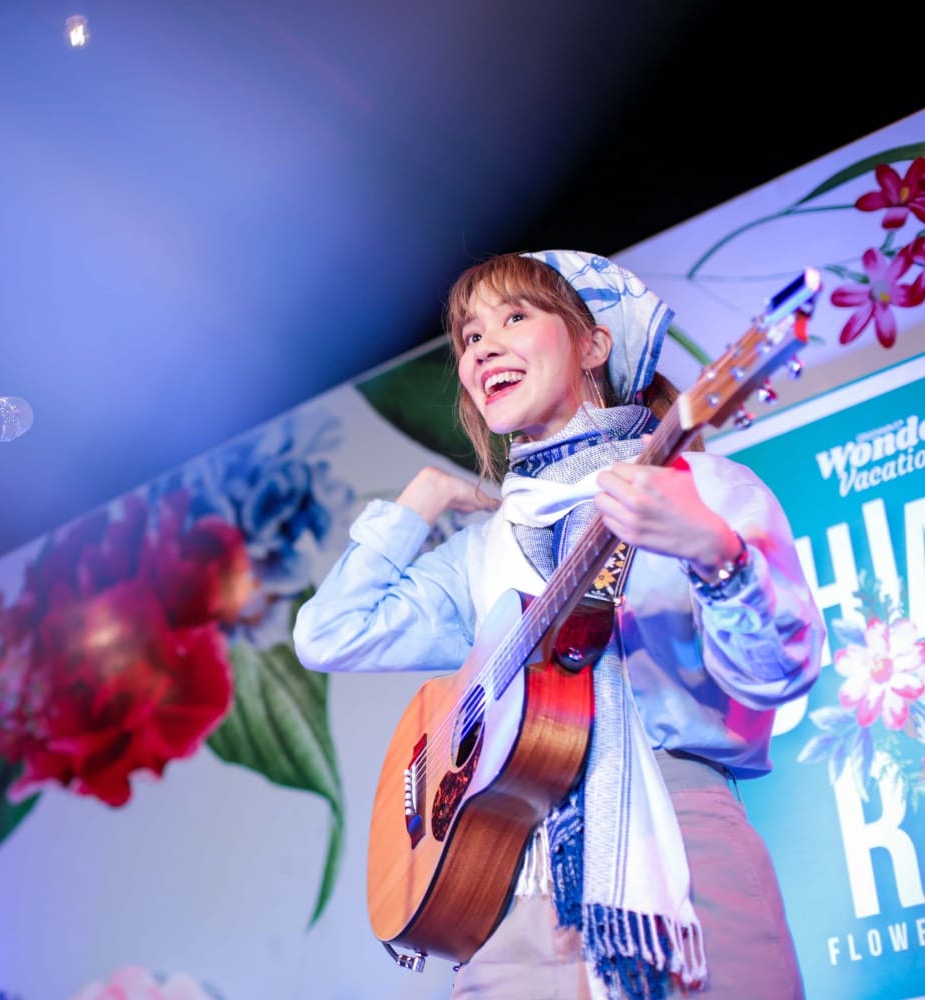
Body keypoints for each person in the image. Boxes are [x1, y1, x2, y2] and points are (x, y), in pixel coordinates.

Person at [291, 250, 822, 999]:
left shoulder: (699, 490)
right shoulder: (482, 550)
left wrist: (715, 551)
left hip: (680, 854)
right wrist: (422, 500)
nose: (483, 348)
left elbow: (780, 675)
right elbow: (328, 632)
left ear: (594, 343)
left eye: (515, 317)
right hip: (506, 889)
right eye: (470, 336)